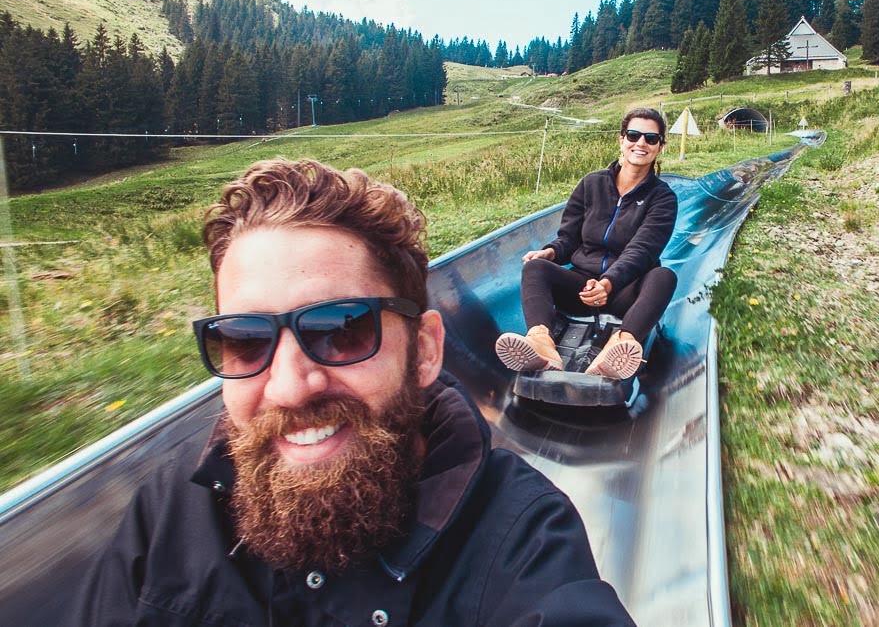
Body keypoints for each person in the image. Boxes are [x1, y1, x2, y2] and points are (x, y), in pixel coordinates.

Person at [69, 159, 635, 626]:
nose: (290, 388)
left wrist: (611, 281)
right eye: (244, 341)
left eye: (341, 331)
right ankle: (546, 345)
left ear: (426, 351)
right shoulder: (169, 513)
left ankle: (614, 345)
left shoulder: (522, 543)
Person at [495, 108, 678, 380]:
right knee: (535, 267)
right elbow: (569, 237)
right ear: (621, 139)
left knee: (663, 277)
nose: (641, 143)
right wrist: (552, 252)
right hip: (580, 288)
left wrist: (608, 283)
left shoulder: (663, 199)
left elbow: (641, 251)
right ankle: (541, 343)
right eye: (634, 135)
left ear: (660, 146)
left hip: (625, 294)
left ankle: (621, 346)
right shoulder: (591, 184)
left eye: (651, 138)